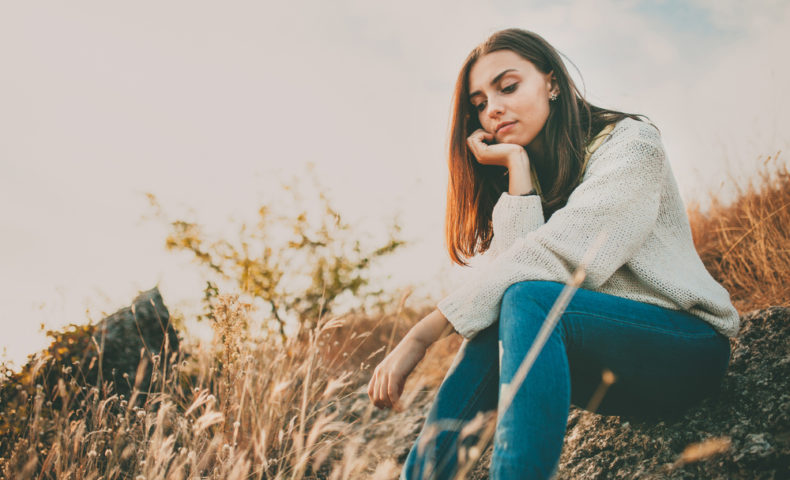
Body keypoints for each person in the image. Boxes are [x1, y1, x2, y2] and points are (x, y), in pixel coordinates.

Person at [367, 28, 739, 480]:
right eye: (479, 104)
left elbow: (566, 258)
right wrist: (517, 169)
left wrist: (423, 334)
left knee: (527, 298)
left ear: (552, 83)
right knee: (503, 311)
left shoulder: (632, 146)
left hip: (686, 350)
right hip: (610, 362)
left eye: (507, 87)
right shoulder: (533, 174)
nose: (493, 109)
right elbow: (512, 283)